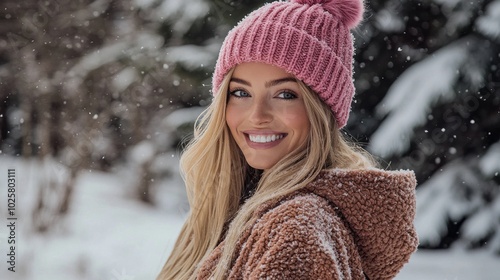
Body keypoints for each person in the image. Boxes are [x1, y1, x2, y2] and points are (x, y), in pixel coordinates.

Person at [158, 0, 418, 279]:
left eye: (285, 94)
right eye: (241, 93)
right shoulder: (232, 209)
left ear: (322, 109)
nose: (257, 116)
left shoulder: (297, 230)